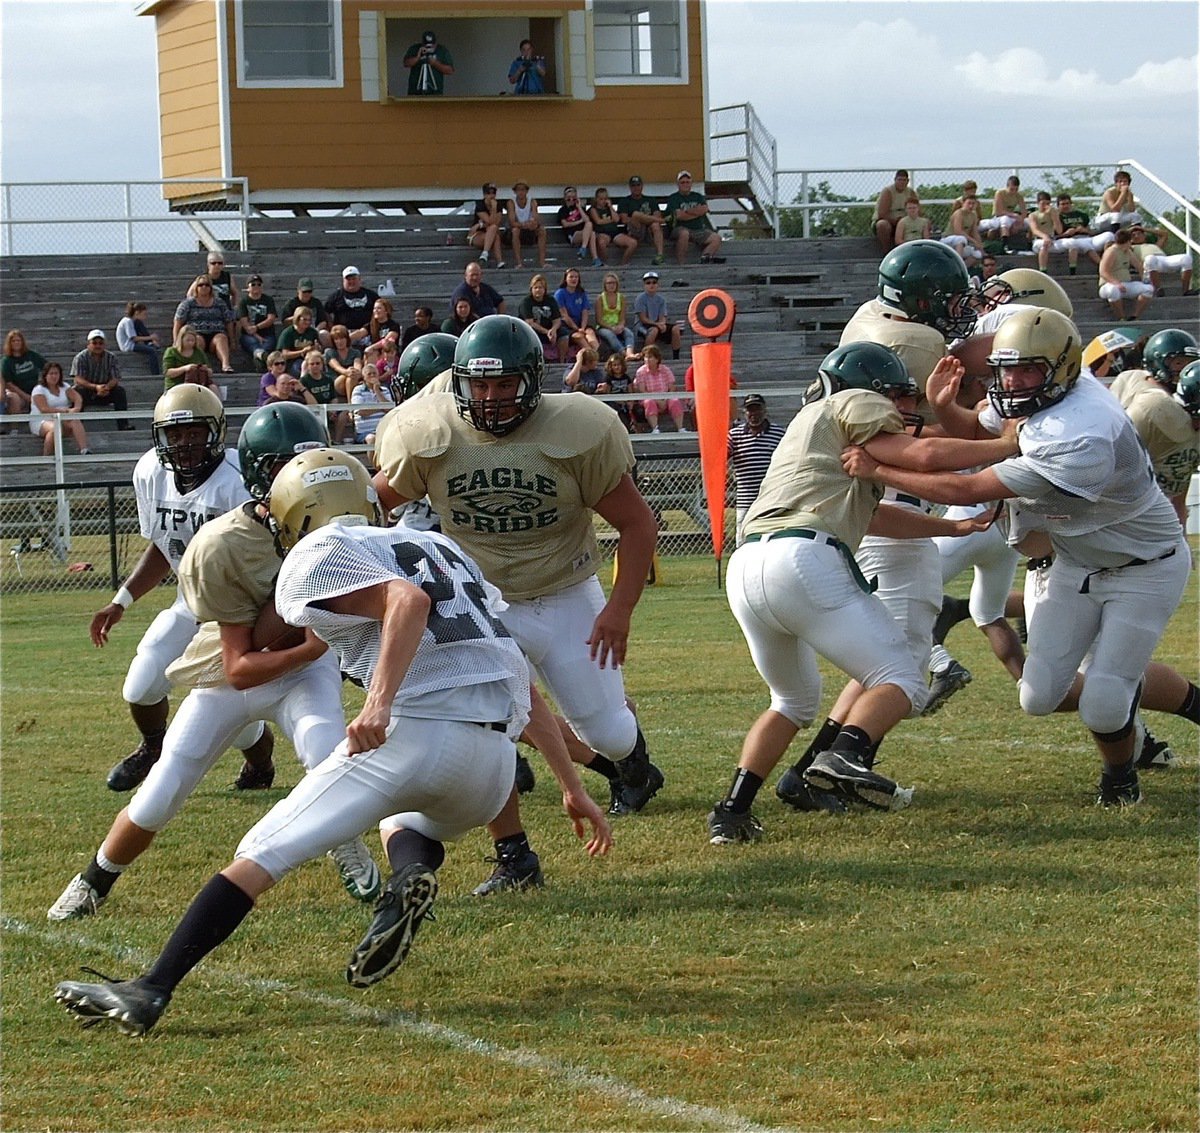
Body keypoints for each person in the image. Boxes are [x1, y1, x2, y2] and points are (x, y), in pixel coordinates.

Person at [52, 448, 609, 1035]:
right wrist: (571, 786)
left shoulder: (313, 556)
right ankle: (403, 884)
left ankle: (151, 988)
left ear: (294, 513)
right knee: (408, 822)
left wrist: (379, 701)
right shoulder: (443, 549)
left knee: (260, 852)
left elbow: (406, 601)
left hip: (414, 735)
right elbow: (513, 669)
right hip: (491, 767)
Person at [842, 307, 1197, 807]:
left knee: (1102, 698)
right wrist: (944, 408)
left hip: (1146, 567)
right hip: (1075, 561)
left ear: (1063, 368)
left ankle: (1120, 776)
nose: (1012, 381)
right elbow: (982, 434)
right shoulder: (1040, 393)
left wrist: (878, 468)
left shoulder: (1082, 434)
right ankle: (1148, 696)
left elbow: (966, 486)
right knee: (1037, 697)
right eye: (1006, 368)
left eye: (1027, 370)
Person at [45, 404, 381, 929]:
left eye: (307, 465)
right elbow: (239, 666)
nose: (296, 482)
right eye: (278, 470)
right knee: (160, 793)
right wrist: (315, 648)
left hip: (303, 674)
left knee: (326, 755)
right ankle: (93, 878)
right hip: (232, 674)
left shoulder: (345, 526)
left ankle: (345, 842)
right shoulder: (223, 544)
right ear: (256, 475)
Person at [373, 315, 664, 888]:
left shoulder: (578, 428)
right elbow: (375, 501)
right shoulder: (430, 432)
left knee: (608, 734)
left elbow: (638, 524)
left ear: (531, 380)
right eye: (479, 385)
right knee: (492, 724)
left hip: (565, 592)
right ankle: (515, 857)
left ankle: (628, 750)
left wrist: (619, 608)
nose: (491, 398)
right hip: (484, 602)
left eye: (504, 384)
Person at [706, 343, 1004, 843]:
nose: (905, 409)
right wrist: (1007, 446)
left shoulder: (806, 430)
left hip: (749, 565)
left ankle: (731, 812)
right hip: (802, 559)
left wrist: (952, 532)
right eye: (898, 396)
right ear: (869, 387)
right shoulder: (852, 404)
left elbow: (872, 515)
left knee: (793, 700)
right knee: (902, 677)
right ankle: (844, 755)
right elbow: (923, 455)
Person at [82, 384, 272, 795]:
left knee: (228, 705)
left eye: (194, 433)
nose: (184, 443)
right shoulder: (151, 471)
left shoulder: (239, 479)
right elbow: (163, 545)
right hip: (192, 599)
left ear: (215, 431)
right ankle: (152, 748)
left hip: (244, 605)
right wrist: (122, 600)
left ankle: (261, 765)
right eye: (175, 434)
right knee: (142, 682)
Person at [1111, 329, 1200, 525]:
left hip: (1163, 497)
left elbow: (1182, 475)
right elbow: (1116, 459)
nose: (1185, 369)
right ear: (1157, 361)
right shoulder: (1153, 406)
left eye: (1189, 362)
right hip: (1129, 505)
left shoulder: (1186, 405)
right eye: (1178, 362)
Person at [727, 394, 786, 546]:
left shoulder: (779, 434)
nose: (754, 414)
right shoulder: (735, 435)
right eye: (750, 410)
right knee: (742, 536)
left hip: (772, 497)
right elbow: (722, 455)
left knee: (772, 534)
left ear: (765, 410)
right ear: (744, 413)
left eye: (757, 409)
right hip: (746, 498)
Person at [70, 329, 135, 429]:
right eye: (94, 343)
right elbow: (78, 379)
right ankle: (76, 426)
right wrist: (96, 387)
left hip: (105, 391)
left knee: (119, 391)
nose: (98, 346)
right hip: (87, 391)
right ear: (88, 344)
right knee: (77, 391)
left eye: (100, 343)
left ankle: (123, 425)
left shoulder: (111, 357)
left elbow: (115, 378)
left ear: (104, 344)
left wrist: (106, 388)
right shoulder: (81, 357)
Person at [173, 276, 235, 373]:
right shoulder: (188, 303)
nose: (204, 287)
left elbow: (228, 320)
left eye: (207, 285)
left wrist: (232, 340)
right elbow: (178, 321)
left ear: (211, 288)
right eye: (201, 285)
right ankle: (198, 366)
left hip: (216, 333)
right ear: (196, 287)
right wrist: (176, 341)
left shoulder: (219, 302)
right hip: (197, 333)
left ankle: (226, 365)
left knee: (221, 338)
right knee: (197, 340)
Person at [30, 361, 90, 455]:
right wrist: (65, 411)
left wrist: (76, 408)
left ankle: (84, 450)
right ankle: (46, 457)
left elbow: (77, 398)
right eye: (51, 373)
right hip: (41, 420)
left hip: (62, 418)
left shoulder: (65, 386)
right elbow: (44, 409)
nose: (54, 376)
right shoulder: (39, 389)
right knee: (55, 428)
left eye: (56, 373)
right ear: (45, 375)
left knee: (75, 420)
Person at [664, 171, 725, 265]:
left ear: (691, 183)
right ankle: (681, 264)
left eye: (687, 182)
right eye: (682, 182)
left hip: (698, 229)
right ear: (678, 184)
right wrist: (696, 212)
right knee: (684, 234)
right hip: (679, 228)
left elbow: (704, 209)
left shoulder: (698, 196)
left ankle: (704, 259)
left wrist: (687, 212)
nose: (685, 184)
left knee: (716, 238)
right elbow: (679, 216)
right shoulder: (673, 198)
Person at [1098, 229, 1153, 321]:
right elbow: (1103, 272)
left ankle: (1134, 316)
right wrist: (1116, 283)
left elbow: (1139, 266)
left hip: (1126, 284)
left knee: (1148, 289)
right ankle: (1121, 318)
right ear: (1128, 241)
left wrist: (1145, 279)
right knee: (1113, 290)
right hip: (1108, 285)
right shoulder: (1111, 252)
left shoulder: (1127, 251)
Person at [1130, 221, 1197, 297]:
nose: (1136, 236)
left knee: (1186, 258)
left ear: (1144, 236)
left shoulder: (1154, 246)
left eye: (1139, 233)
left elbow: (1164, 234)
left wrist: (1143, 229)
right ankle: (1158, 290)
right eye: (1133, 235)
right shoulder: (1131, 248)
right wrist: (1130, 230)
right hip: (1150, 263)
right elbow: (1119, 239)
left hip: (1163, 260)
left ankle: (1186, 290)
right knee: (1150, 258)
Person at [633, 344, 684, 433]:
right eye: (645, 357)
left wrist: (665, 398)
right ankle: (655, 428)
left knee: (675, 401)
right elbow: (642, 390)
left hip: (665, 396)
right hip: (649, 397)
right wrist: (657, 400)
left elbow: (672, 387)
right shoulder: (640, 372)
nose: (647, 360)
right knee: (649, 402)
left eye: (650, 357)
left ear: (657, 359)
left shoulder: (665, 370)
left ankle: (680, 428)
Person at [632, 270, 683, 357]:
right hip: (641, 326)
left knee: (675, 329)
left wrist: (662, 324)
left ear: (657, 284)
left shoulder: (661, 299)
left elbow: (662, 316)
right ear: (644, 285)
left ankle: (676, 356)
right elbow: (643, 319)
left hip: (656, 324)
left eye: (654, 282)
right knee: (654, 330)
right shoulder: (640, 298)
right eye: (648, 283)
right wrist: (657, 324)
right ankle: (646, 356)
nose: (651, 285)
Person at [617, 175, 666, 265]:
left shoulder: (651, 200)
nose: (636, 188)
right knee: (636, 215)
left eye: (638, 185)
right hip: (635, 231)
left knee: (655, 224)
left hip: (649, 231)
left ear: (642, 186)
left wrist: (644, 219)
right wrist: (641, 218)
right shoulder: (624, 201)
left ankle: (660, 255)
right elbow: (624, 219)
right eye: (633, 186)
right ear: (630, 187)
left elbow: (657, 216)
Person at [350, 361, 394, 460]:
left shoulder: (384, 390)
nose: (372, 376)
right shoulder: (358, 390)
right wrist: (381, 408)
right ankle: (375, 469)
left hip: (383, 428)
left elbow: (390, 409)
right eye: (369, 374)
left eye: (374, 373)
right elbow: (361, 411)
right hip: (365, 431)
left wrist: (377, 391)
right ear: (364, 377)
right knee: (372, 439)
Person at [519, 272, 567, 362]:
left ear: (545, 289)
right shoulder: (526, 302)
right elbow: (530, 322)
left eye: (540, 287)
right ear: (531, 289)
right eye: (535, 287)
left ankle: (562, 361)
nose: (538, 290)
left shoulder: (551, 300)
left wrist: (553, 330)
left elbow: (557, 319)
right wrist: (547, 332)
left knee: (564, 334)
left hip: (550, 329)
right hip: (533, 330)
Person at [325, 267, 378, 347]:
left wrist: (370, 327)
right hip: (344, 335)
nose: (351, 281)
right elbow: (325, 312)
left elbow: (382, 308)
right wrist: (332, 327)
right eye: (348, 279)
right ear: (343, 280)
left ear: (359, 279)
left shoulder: (371, 295)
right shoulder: (336, 296)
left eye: (354, 279)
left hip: (367, 333)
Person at [1052, 194, 1104, 275]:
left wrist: (1085, 230)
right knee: (1084, 245)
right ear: (1058, 206)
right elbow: (1054, 237)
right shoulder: (1057, 217)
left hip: (1086, 237)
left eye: (1067, 203)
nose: (1066, 206)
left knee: (1109, 236)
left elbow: (1091, 232)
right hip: (1070, 240)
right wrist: (1066, 234)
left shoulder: (1081, 215)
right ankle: (1103, 266)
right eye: (1063, 204)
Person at [235, 274, 278, 370]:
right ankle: (261, 357)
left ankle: (259, 361)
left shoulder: (268, 300)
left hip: (267, 334)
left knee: (266, 346)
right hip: (249, 335)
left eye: (259, 284)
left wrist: (257, 327)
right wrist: (257, 336)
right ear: (248, 287)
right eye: (253, 284)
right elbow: (244, 323)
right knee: (254, 344)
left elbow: (271, 318)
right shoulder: (243, 302)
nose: (256, 286)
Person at [554, 266, 599, 356]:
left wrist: (582, 327)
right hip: (567, 326)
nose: (574, 279)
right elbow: (564, 315)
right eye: (571, 277)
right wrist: (577, 329)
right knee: (580, 337)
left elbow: (585, 312)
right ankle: (592, 357)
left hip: (580, 324)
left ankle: (595, 354)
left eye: (576, 277)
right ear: (565, 279)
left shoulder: (581, 293)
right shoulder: (560, 294)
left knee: (590, 334)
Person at [2, 329, 47, 416]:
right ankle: (15, 428)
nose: (16, 343)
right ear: (9, 343)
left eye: (18, 340)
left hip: (35, 390)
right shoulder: (6, 361)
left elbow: (47, 368)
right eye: (13, 341)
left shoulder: (31, 355)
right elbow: (9, 384)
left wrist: (42, 383)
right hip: (18, 393)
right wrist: (26, 397)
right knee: (13, 398)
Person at [594, 271, 639, 359]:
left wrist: (620, 326)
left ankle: (630, 352)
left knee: (628, 333)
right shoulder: (600, 298)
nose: (611, 285)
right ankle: (623, 353)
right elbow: (599, 320)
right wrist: (611, 328)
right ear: (605, 285)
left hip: (617, 324)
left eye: (614, 283)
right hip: (604, 326)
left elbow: (622, 317)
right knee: (610, 335)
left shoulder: (621, 297)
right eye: (609, 283)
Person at [588, 187, 637, 266]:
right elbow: (598, 221)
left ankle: (624, 263)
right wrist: (611, 220)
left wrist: (610, 207)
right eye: (601, 199)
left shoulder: (609, 208)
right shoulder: (593, 209)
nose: (603, 201)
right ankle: (605, 263)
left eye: (605, 199)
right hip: (602, 232)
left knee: (633, 243)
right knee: (601, 243)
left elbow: (617, 219)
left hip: (614, 232)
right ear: (596, 199)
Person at [873, 170, 919, 252]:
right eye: (899, 180)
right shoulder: (888, 192)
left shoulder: (911, 193)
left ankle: (916, 250)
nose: (902, 182)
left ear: (908, 181)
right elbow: (882, 214)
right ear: (895, 180)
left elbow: (918, 210)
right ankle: (886, 251)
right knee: (882, 225)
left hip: (905, 221)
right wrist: (896, 221)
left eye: (904, 180)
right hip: (889, 221)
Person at [506, 181, 548, 269]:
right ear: (515, 191)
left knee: (542, 231)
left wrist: (532, 223)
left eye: (523, 189)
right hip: (516, 231)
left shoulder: (532, 201)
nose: (521, 192)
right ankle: (519, 263)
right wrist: (524, 225)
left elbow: (536, 218)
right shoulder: (511, 202)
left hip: (528, 231)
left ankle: (542, 262)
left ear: (527, 191)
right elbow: (512, 222)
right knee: (515, 231)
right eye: (518, 190)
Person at [979, 175, 1028, 249]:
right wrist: (1014, 215)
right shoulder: (1000, 193)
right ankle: (1005, 245)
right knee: (1005, 220)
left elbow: (1024, 211)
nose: (1013, 192)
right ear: (1007, 186)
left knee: (1029, 222)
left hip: (1011, 217)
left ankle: (1029, 244)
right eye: (1011, 189)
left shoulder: (1019, 196)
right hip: (998, 218)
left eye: (1016, 189)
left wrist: (1020, 221)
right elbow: (998, 212)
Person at [161, 324, 215, 391]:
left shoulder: (198, 352)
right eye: (188, 340)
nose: (190, 343)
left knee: (213, 388)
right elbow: (168, 372)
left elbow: (210, 371)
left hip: (197, 385)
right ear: (181, 339)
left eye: (192, 340)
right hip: (176, 385)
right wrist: (185, 368)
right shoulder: (171, 352)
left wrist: (205, 369)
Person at [556, 187, 601, 266]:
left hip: (584, 233)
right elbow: (565, 224)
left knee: (591, 230)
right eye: (569, 199)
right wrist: (580, 221)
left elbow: (587, 220)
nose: (571, 201)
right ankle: (591, 255)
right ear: (565, 198)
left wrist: (579, 207)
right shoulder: (563, 210)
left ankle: (591, 255)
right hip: (573, 235)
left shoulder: (580, 209)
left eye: (573, 199)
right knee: (591, 233)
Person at [281, 278, 331, 347]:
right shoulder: (291, 303)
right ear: (298, 290)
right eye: (304, 291)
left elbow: (323, 321)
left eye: (309, 291)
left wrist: (316, 330)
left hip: (313, 330)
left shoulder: (316, 302)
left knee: (324, 334)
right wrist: (298, 317)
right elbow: (285, 321)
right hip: (296, 332)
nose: (307, 294)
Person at [403, 29, 453, 96]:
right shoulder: (415, 49)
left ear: (435, 43)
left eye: (431, 46)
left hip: (435, 93)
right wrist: (418, 57)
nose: (429, 48)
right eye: (427, 46)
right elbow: (406, 63)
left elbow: (450, 70)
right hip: (415, 92)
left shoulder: (442, 50)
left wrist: (435, 63)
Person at [116, 302, 161, 373]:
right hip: (128, 346)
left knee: (139, 323)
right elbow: (134, 338)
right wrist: (150, 337)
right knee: (152, 351)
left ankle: (150, 343)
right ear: (137, 313)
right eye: (144, 314)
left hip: (132, 344)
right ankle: (155, 373)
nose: (145, 316)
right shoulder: (127, 321)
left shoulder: (133, 321)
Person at [469, 183, 506, 268]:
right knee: (493, 229)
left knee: (495, 234)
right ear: (484, 195)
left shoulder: (498, 206)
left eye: (493, 193)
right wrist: (493, 208)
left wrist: (495, 208)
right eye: (488, 193)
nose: (491, 196)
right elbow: (490, 221)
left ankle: (497, 261)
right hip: (478, 235)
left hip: (491, 235)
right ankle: (487, 254)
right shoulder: (480, 205)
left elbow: (496, 223)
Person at [276, 305, 322, 374]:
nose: (307, 322)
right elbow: (285, 355)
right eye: (304, 320)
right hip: (293, 362)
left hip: (311, 360)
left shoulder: (312, 332)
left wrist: (317, 348)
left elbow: (318, 348)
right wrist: (302, 351)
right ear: (297, 319)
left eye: (309, 320)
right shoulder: (288, 333)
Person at [325, 324, 363, 401]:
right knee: (350, 375)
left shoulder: (355, 352)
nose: (339, 341)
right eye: (336, 339)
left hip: (352, 378)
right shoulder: (329, 352)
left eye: (342, 338)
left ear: (346, 339)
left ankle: (350, 405)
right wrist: (347, 371)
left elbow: (357, 364)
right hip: (336, 382)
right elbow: (336, 366)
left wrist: (355, 371)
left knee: (351, 378)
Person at [1027, 192, 1064, 272]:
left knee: (1072, 244)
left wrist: (1054, 217)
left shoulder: (1053, 213)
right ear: (1038, 203)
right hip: (1038, 241)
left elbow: (1059, 231)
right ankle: (1043, 270)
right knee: (1044, 245)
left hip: (1053, 240)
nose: (1045, 206)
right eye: (1043, 203)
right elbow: (1034, 230)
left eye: (1048, 203)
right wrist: (1045, 237)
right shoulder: (1033, 215)